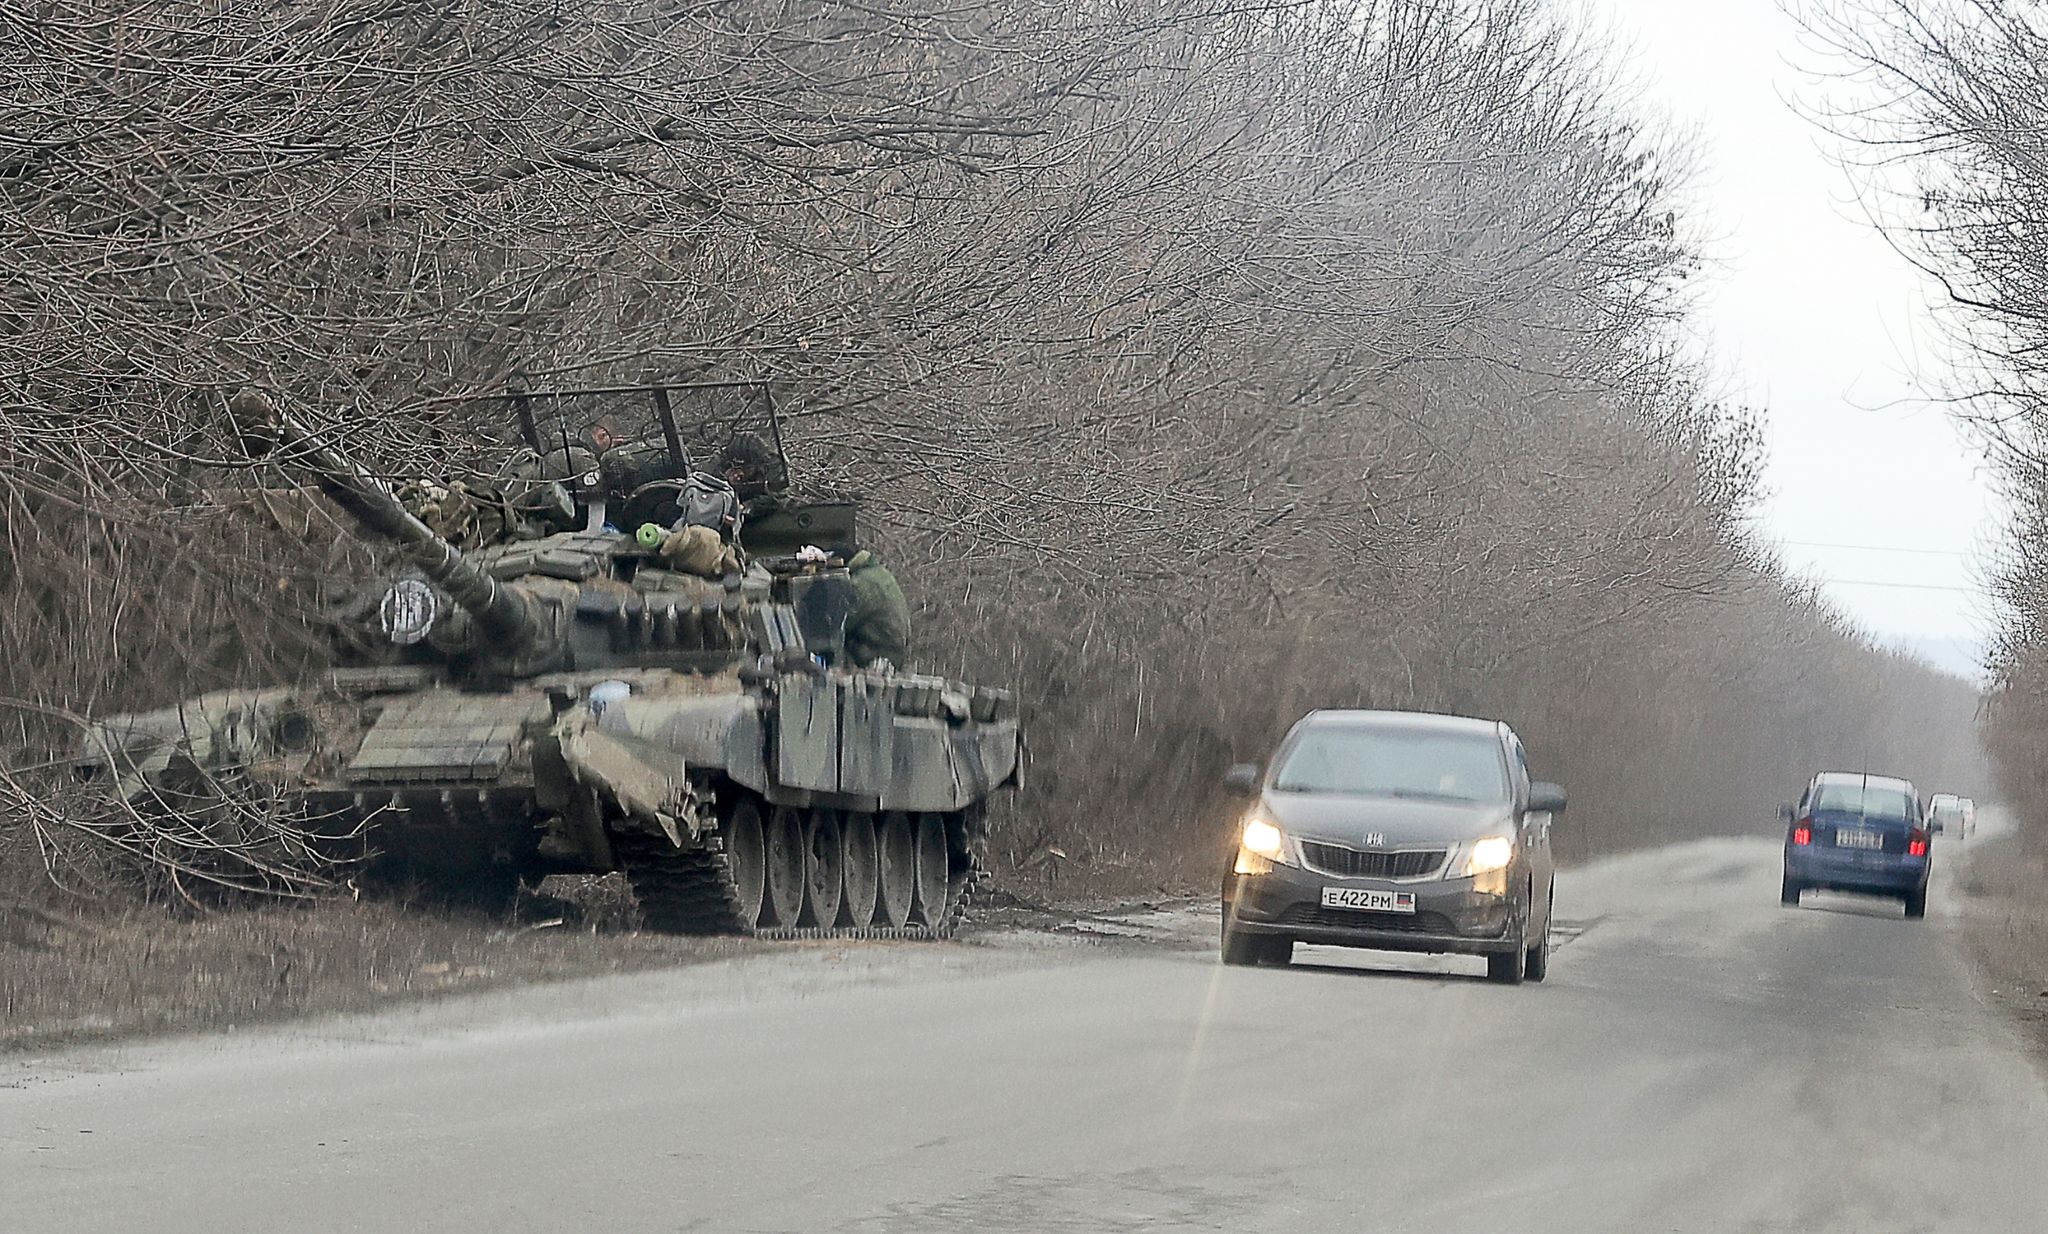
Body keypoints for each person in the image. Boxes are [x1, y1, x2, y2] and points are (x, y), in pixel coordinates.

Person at [843, 547, 911, 670]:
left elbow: (843, 622)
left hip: (878, 652)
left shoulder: (861, 583)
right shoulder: (878, 573)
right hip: (893, 649)